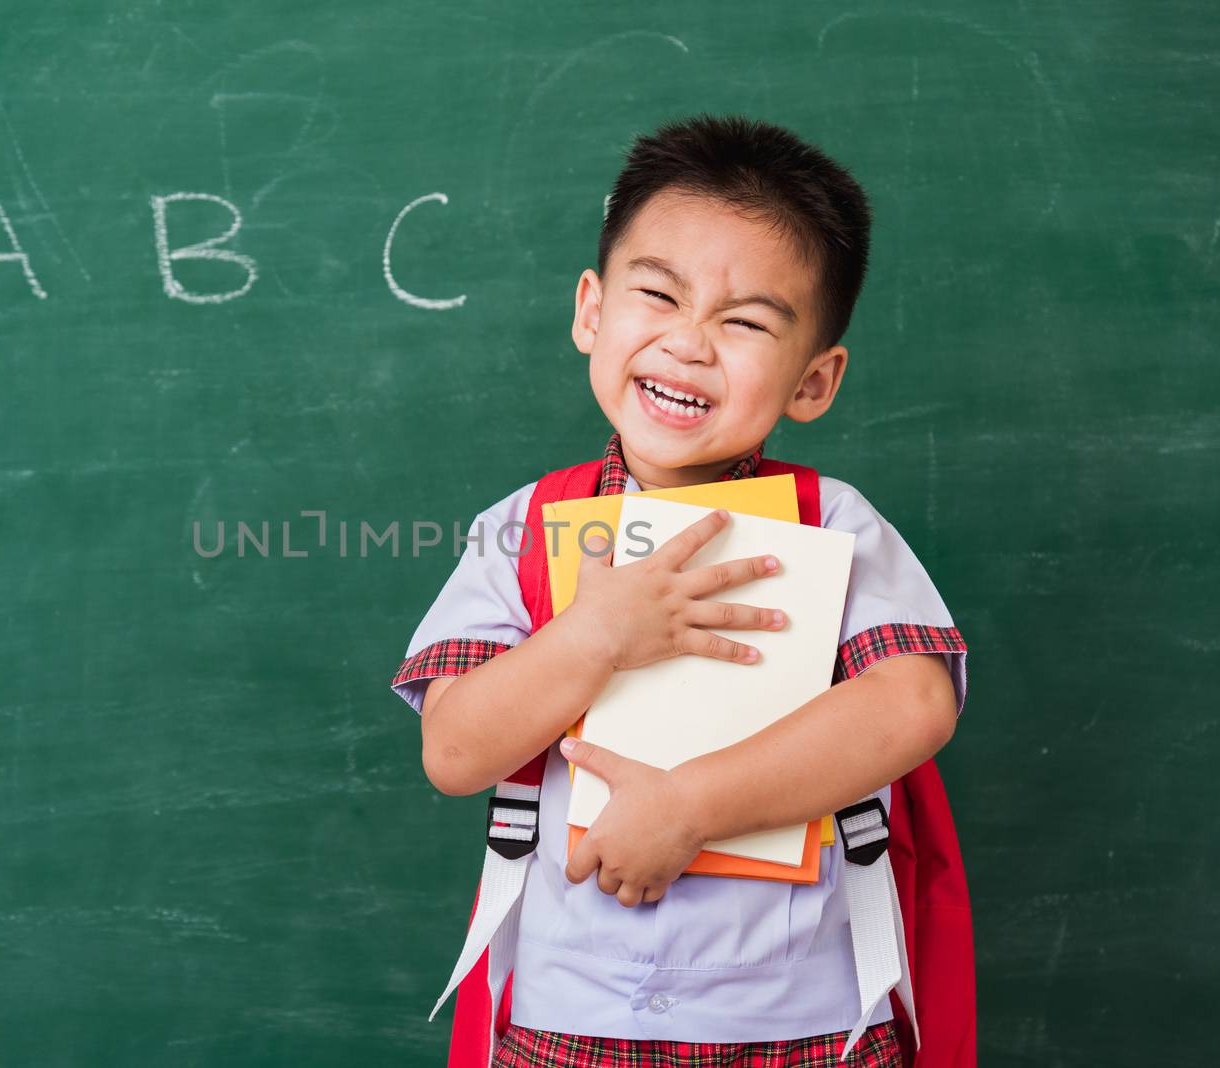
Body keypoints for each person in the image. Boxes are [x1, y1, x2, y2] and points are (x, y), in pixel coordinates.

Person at [390, 115, 971, 1067]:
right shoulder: (523, 528)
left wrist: (691, 807)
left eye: (744, 322)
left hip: (803, 1020)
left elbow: (913, 703)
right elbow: (454, 751)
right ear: (590, 310)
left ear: (814, 381)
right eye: (657, 295)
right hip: (564, 1018)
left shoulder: (834, 521)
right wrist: (595, 637)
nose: (689, 343)